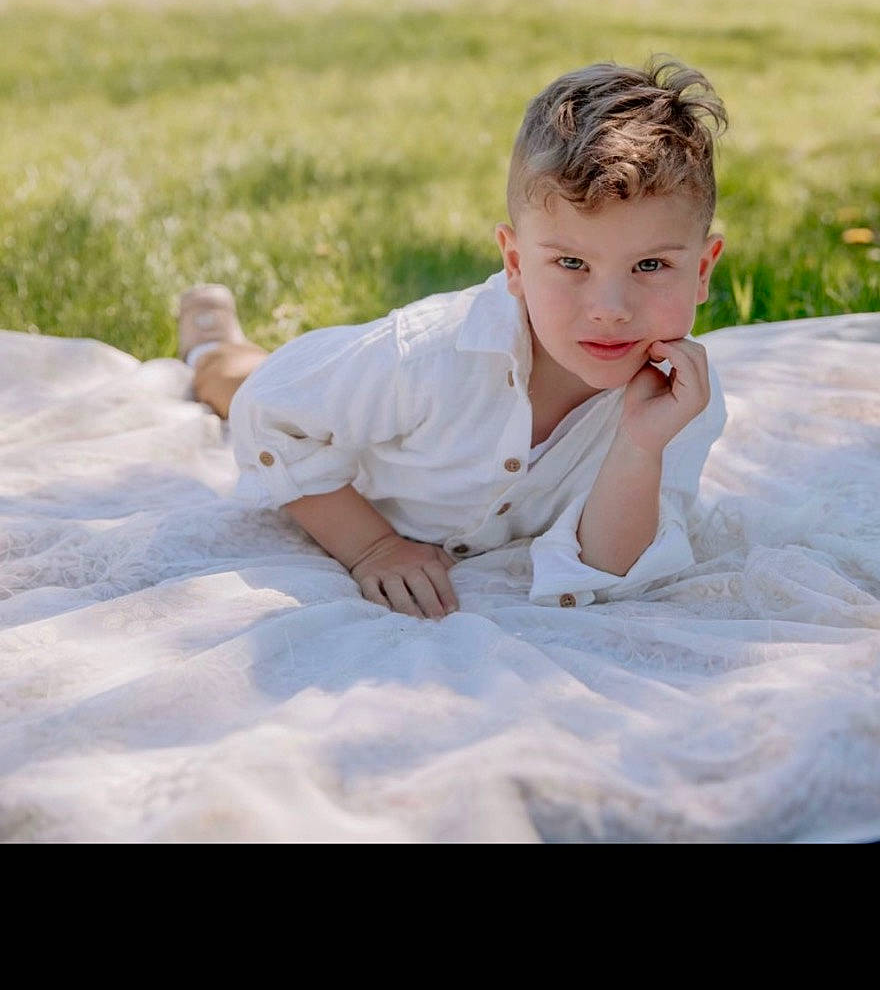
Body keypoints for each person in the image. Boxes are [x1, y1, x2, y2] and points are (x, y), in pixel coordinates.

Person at [177, 57, 728, 618]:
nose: (610, 310)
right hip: (356, 458)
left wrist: (639, 446)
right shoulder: (428, 354)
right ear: (515, 262)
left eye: (651, 266)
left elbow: (611, 572)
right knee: (238, 380)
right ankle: (210, 339)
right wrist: (373, 546)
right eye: (570, 262)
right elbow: (270, 413)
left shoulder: (678, 403)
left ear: (702, 271)